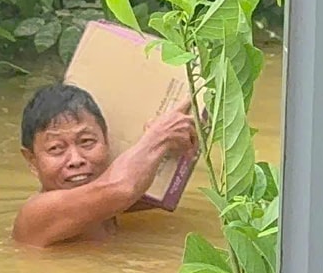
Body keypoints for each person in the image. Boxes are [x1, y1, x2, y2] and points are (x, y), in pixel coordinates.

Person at [11, 83, 197, 248]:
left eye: (87, 142)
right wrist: (159, 135)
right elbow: (121, 188)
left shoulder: (110, 203)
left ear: (106, 141)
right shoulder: (36, 213)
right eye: (56, 148)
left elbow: (144, 187)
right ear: (32, 161)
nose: (76, 160)